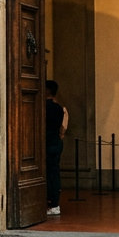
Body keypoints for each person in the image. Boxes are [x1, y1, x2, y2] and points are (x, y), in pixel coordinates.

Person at [45, 80, 68, 216]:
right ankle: (54, 202)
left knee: (48, 174)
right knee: (54, 173)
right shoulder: (60, 108)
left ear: (47, 91)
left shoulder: (41, 106)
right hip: (56, 143)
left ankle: (51, 202)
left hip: (46, 144)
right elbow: (63, 127)